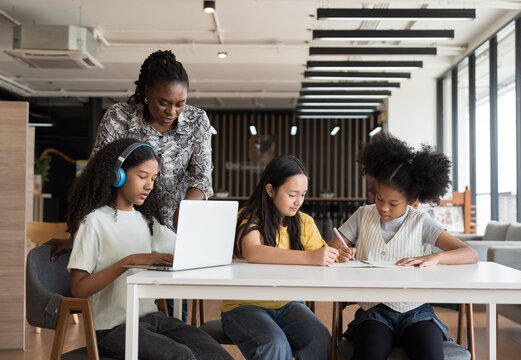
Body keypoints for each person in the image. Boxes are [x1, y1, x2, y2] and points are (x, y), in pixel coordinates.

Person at [50, 49, 212, 320]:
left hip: (172, 231)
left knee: (172, 316)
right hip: (122, 228)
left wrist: (188, 213)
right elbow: (98, 175)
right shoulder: (119, 116)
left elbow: (201, 179)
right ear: (147, 92)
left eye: (180, 104)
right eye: (163, 102)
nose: (172, 111)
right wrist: (81, 236)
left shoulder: (197, 121)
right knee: (127, 310)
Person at [66, 138, 232, 360]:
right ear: (118, 175)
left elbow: (185, 250)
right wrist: (130, 261)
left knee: (214, 353)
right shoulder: (93, 222)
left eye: (153, 179)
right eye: (142, 176)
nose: (149, 185)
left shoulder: (147, 222)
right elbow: (78, 289)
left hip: (151, 318)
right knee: (180, 356)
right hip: (111, 330)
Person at [328, 132, 478, 360]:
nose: (384, 208)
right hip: (374, 312)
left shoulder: (422, 222)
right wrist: (340, 253)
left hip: (417, 312)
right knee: (369, 353)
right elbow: (330, 250)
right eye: (379, 198)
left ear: (412, 201)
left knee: (429, 355)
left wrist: (434, 258)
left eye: (393, 203)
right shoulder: (362, 215)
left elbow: (470, 254)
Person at [220, 155, 336, 360]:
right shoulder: (248, 217)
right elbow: (253, 252)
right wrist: (309, 257)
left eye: (303, 194)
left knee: (319, 338)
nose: (298, 201)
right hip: (243, 306)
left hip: (288, 304)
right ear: (270, 190)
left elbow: (319, 257)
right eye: (292, 194)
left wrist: (332, 255)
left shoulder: (305, 222)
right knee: (274, 344)